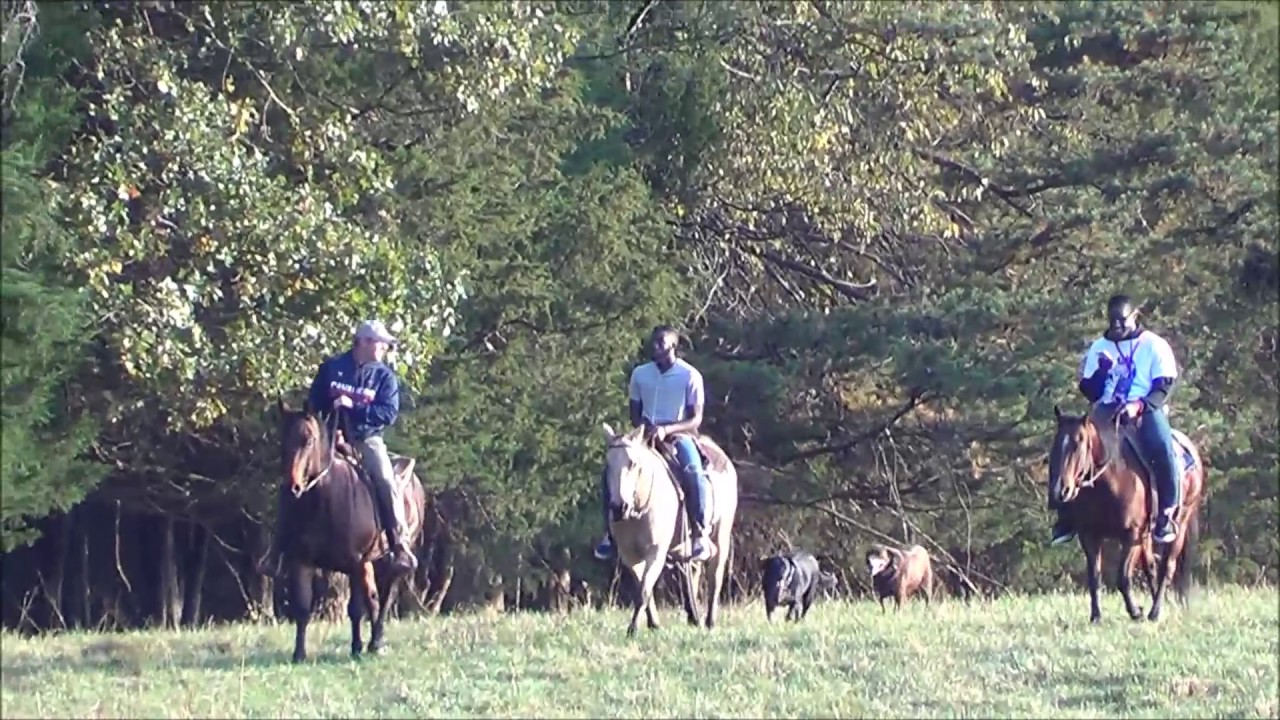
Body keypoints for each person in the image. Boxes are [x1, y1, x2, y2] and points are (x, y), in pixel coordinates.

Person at [263, 320, 416, 577]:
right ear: (364, 342)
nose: (385, 349)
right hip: (328, 436)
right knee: (292, 477)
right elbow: (314, 403)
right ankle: (277, 550)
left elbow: (387, 414)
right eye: (382, 344)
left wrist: (353, 407)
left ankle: (398, 543)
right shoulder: (332, 369)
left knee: (385, 479)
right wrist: (326, 421)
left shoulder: (384, 377)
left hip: (366, 439)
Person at [1053, 294, 1182, 546]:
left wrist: (1140, 405)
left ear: (1134, 317)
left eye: (1122, 322)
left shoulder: (1153, 345)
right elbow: (1090, 391)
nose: (1117, 328)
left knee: (1162, 447)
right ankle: (1065, 514)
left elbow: (1165, 385)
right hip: (1106, 409)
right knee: (1069, 446)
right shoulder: (1100, 347)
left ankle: (1166, 512)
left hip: (1145, 409)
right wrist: (1101, 371)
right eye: (1113, 323)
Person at [594, 325, 713, 562]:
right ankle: (609, 535)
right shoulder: (640, 374)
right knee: (612, 472)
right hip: (645, 436)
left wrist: (667, 429)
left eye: (661, 343)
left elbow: (695, 419)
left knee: (693, 471)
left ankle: (700, 532)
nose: (655, 347)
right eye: (654, 343)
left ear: (673, 346)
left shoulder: (690, 376)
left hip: (679, 436)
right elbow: (635, 412)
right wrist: (644, 429)